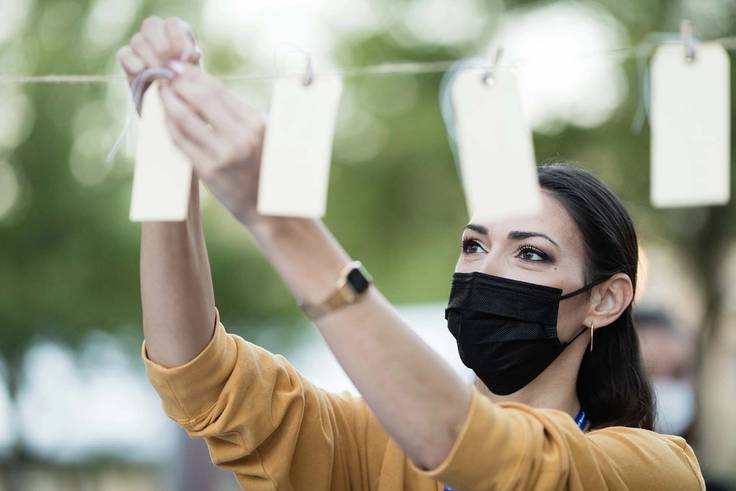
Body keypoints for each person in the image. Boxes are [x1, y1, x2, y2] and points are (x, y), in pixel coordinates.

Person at [119, 17, 706, 490]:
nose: (485, 270)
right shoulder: (376, 446)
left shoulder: (649, 468)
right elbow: (200, 380)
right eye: (473, 245)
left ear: (606, 299)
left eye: (531, 256)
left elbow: (484, 453)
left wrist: (279, 222)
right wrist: (168, 148)